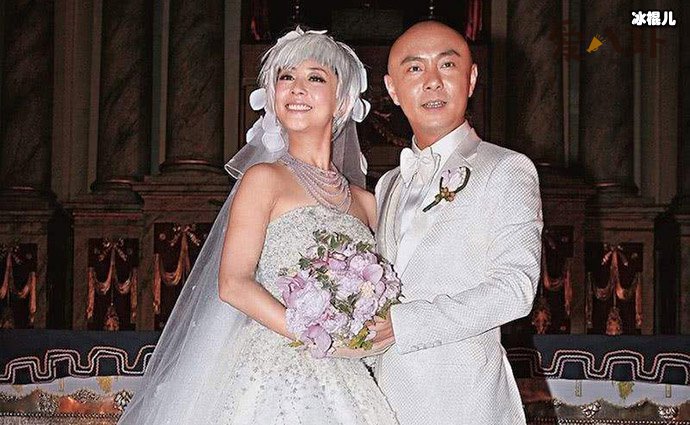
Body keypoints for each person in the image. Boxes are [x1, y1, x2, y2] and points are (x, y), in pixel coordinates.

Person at [118, 28, 398, 425]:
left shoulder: (367, 203)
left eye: (315, 77)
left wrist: (374, 326)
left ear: (343, 101)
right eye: (286, 77)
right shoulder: (263, 179)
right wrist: (319, 337)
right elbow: (233, 283)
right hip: (272, 370)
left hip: (347, 377)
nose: (297, 88)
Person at [368, 21, 543, 424]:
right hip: (383, 400)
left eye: (447, 65)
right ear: (392, 89)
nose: (432, 81)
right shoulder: (388, 184)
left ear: (472, 79)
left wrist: (404, 325)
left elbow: (515, 290)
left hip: (465, 400)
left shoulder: (506, 168)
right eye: (415, 68)